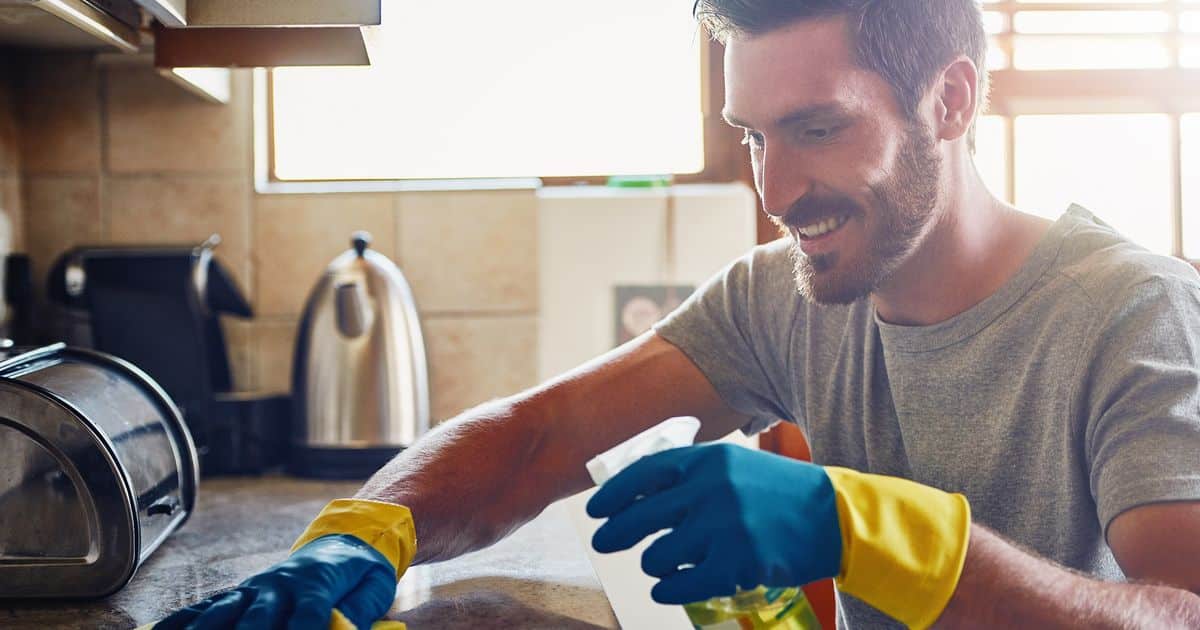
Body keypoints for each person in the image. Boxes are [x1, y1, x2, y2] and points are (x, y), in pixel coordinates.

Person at [158, 1, 1200, 628]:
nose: (777, 188)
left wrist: (868, 528)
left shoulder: (1131, 312)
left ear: (953, 101)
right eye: (751, 136)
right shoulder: (784, 300)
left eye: (818, 129)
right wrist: (361, 536)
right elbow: (538, 439)